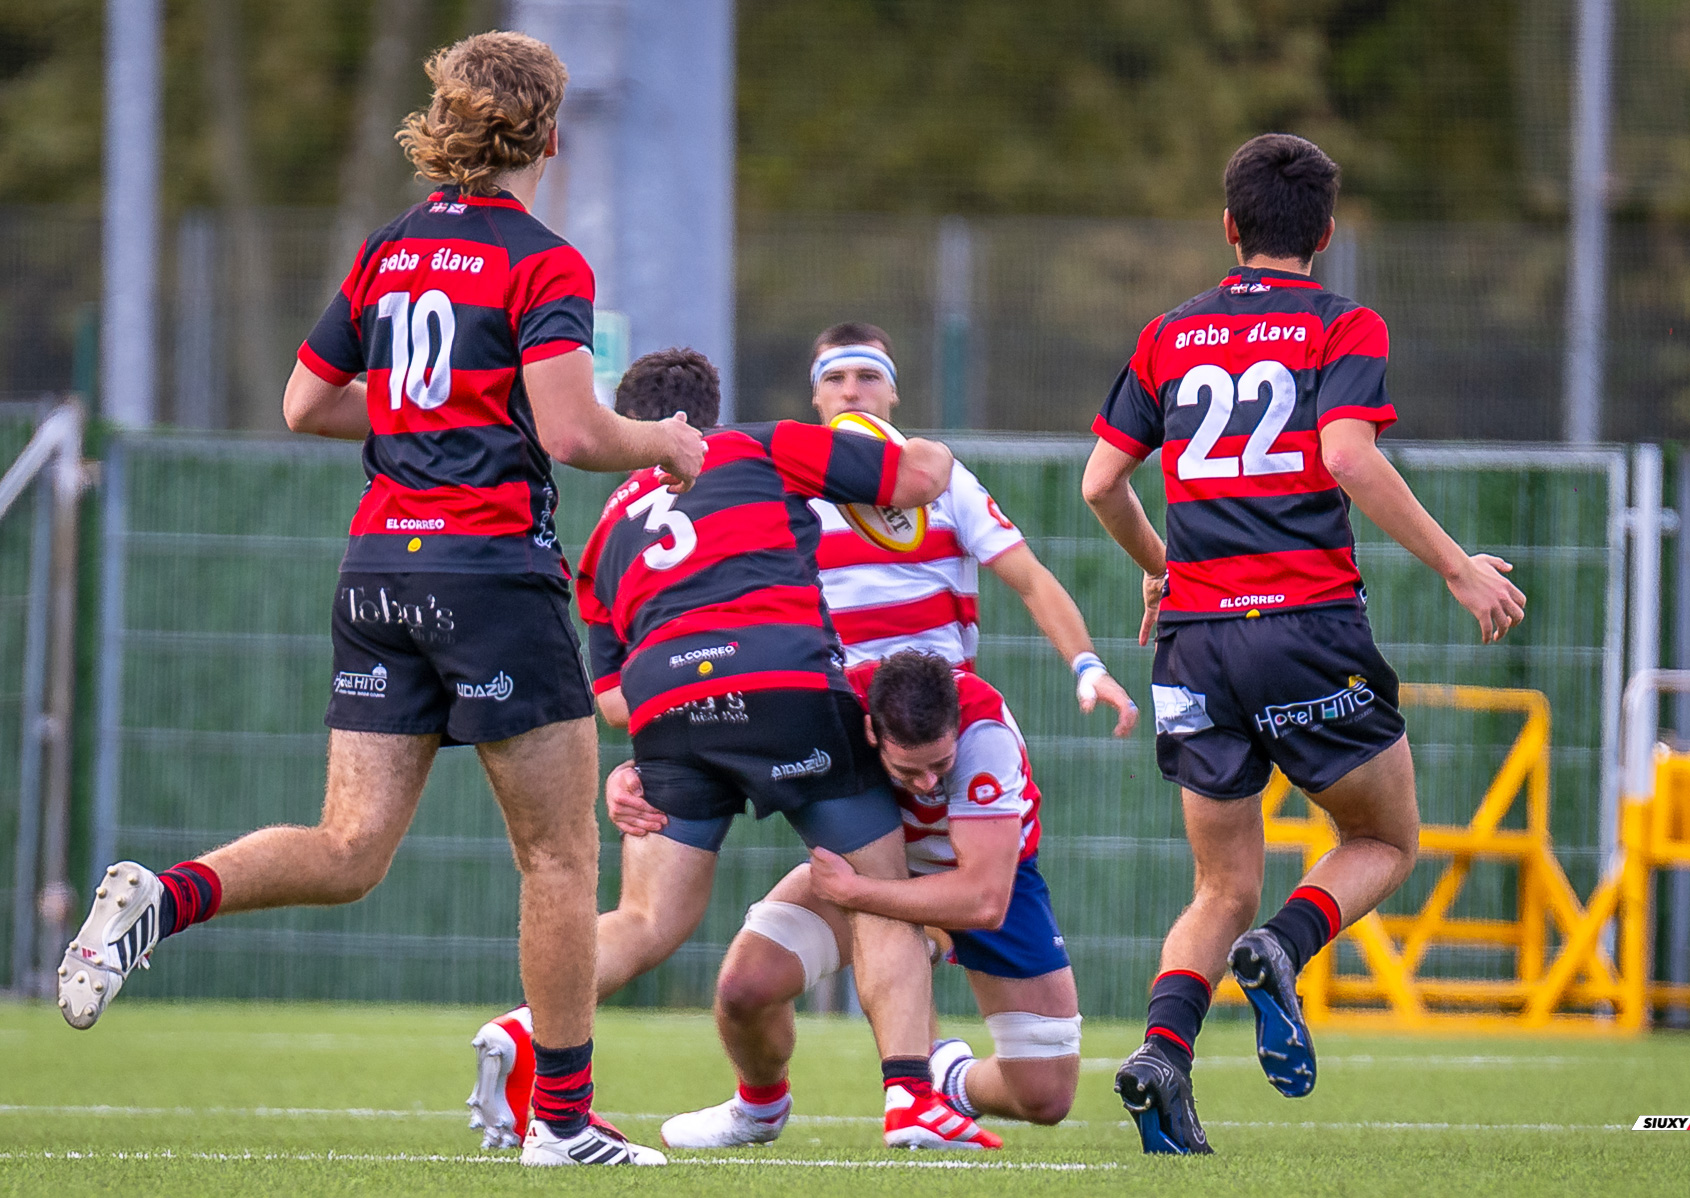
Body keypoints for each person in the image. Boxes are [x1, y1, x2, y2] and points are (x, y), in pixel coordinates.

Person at [54, 32, 703, 1170]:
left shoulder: (390, 250)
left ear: (449, 125)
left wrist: (424, 417)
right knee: (558, 858)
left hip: (379, 573)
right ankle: (561, 1124)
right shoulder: (546, 261)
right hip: (490, 576)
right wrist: (666, 440)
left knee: (349, 847)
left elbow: (308, 404)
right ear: (549, 135)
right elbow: (573, 432)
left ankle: (161, 898)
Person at [1080, 133, 1527, 1156]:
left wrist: (1161, 566)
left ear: (1229, 226)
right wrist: (1458, 566)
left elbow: (1101, 482)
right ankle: (1281, 949)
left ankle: (1160, 1052)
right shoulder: (1342, 323)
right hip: (1305, 627)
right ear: (1325, 234)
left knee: (1216, 883)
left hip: (1194, 645)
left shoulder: (1167, 333)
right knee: (1382, 841)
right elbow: (1345, 454)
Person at [465, 347, 999, 1152]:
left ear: (626, 422)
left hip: (671, 714)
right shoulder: (755, 445)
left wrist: (650, 741)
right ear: (704, 415)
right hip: (784, 681)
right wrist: (933, 449)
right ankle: (912, 1099)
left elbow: (611, 700)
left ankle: (527, 1027)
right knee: (877, 888)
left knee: (646, 919)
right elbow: (918, 480)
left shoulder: (607, 531)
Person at [598, 650, 1077, 1149]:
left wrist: (857, 891)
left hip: (982, 884)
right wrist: (636, 774)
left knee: (1045, 1098)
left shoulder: (985, 735)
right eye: (909, 771)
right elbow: (724, 742)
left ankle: (948, 1077)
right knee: (745, 990)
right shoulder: (830, 710)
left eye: (941, 764)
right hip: (870, 873)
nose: (929, 783)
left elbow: (984, 901)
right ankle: (758, 1110)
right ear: (871, 732)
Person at [805, 323, 1137, 734]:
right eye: (834, 378)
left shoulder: (944, 482)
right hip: (841, 712)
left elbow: (1031, 579)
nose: (851, 392)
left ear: (893, 391)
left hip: (938, 712)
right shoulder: (790, 494)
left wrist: (1088, 668)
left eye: (869, 376)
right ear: (816, 395)